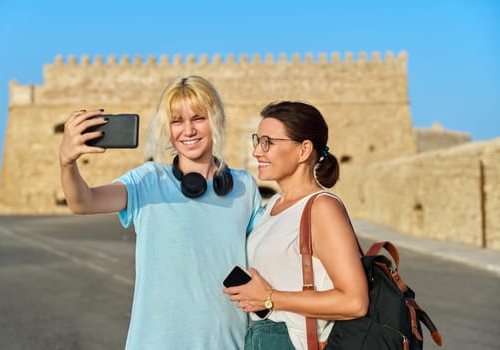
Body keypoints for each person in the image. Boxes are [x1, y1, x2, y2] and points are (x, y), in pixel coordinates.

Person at [59, 75, 263, 349]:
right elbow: (83, 202)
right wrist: (66, 163)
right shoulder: (148, 180)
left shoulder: (244, 187)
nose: (188, 130)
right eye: (177, 121)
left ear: (216, 120)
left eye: (199, 118)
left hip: (228, 343)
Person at [223, 101, 369, 350]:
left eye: (268, 142)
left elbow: (354, 301)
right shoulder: (273, 207)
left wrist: (270, 298)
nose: (258, 151)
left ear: (303, 151)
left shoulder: (322, 208)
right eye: (257, 140)